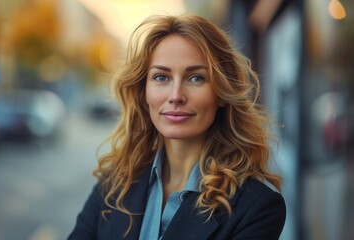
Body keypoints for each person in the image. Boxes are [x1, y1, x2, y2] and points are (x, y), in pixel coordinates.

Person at [68, 15, 286, 240]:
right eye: (161, 77)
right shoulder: (113, 184)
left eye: (196, 78)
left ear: (222, 92)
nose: (175, 96)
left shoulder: (256, 207)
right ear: (144, 94)